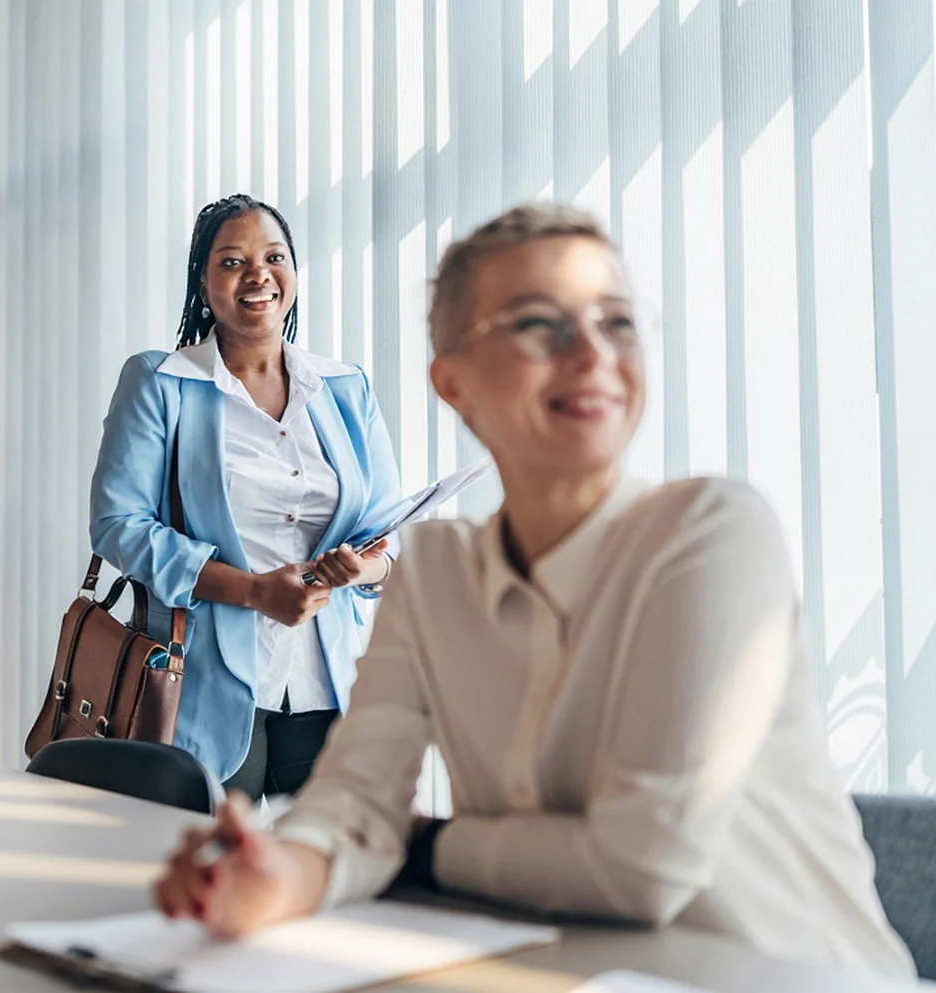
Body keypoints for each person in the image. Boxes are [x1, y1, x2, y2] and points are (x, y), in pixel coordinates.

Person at [152, 204, 914, 977]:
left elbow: (636, 864)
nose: (591, 351)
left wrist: (417, 844)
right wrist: (277, 872)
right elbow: (353, 805)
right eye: (537, 324)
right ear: (452, 382)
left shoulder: (712, 533)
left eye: (615, 321)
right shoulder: (435, 575)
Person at [90, 194, 401, 798]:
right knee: (209, 876)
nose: (258, 275)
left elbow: (387, 533)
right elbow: (118, 525)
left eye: (274, 257)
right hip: (201, 682)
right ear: (203, 286)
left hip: (325, 682)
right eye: (232, 262)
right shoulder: (161, 383)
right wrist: (254, 592)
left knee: (321, 877)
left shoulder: (345, 388)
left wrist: (364, 566)